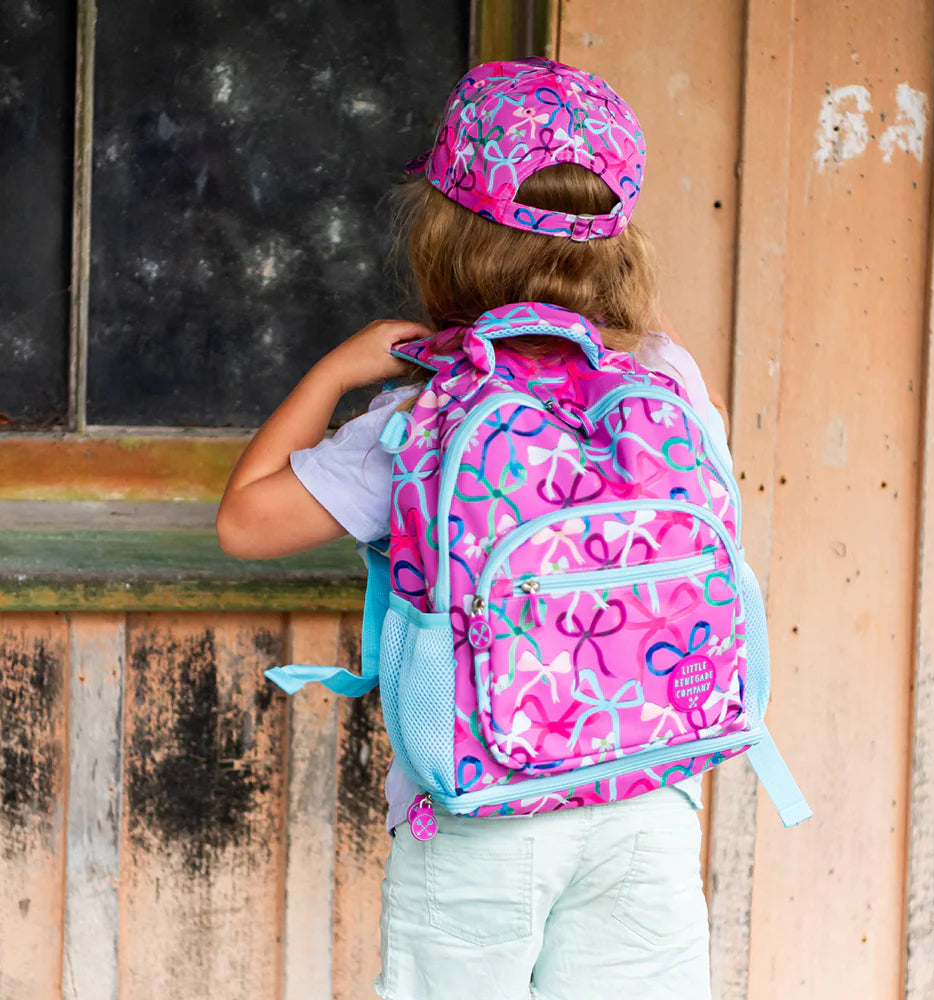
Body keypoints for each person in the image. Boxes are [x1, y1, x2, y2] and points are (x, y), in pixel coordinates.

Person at [217, 58, 729, 1000]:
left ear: (443, 236)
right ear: (619, 243)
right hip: (648, 791)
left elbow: (245, 520)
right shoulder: (670, 381)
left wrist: (338, 371)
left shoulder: (419, 419)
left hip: (483, 810)